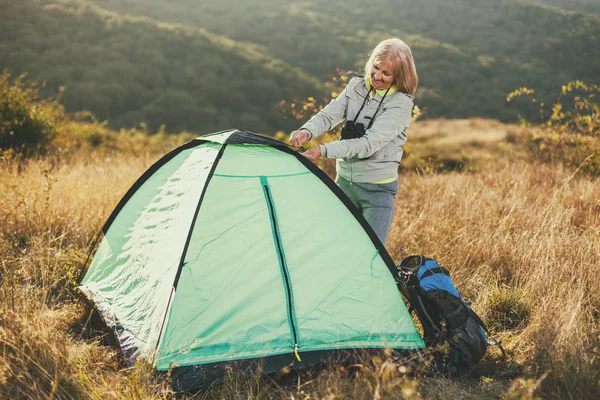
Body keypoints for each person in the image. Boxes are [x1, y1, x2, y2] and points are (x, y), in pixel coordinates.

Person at [289, 38, 418, 245]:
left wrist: (322, 150)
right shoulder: (356, 86)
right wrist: (306, 132)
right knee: (337, 247)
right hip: (344, 184)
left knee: (371, 255)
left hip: (376, 191)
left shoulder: (400, 104)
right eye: (376, 68)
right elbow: (328, 116)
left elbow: (367, 145)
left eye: (386, 73)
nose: (377, 76)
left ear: (399, 76)